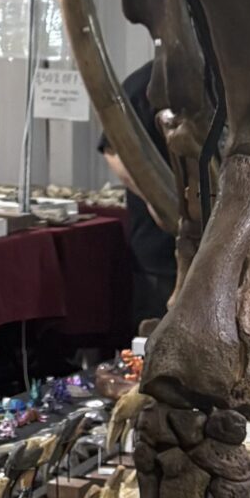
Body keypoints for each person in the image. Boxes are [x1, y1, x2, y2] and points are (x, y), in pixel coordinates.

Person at [101, 62, 178, 330]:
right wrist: (156, 198)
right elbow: (113, 150)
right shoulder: (140, 86)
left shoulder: (217, 79)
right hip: (158, 246)